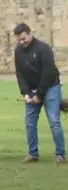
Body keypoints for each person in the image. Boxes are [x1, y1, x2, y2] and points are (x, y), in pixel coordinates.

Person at [13, 23, 65, 163]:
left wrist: (39, 95)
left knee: (54, 121)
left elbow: (47, 72)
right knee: (29, 122)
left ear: (30, 33)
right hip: (31, 90)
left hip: (50, 87)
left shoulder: (43, 48)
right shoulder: (18, 51)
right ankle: (33, 154)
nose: (22, 42)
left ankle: (61, 154)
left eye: (24, 38)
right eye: (19, 40)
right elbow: (20, 73)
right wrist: (25, 93)